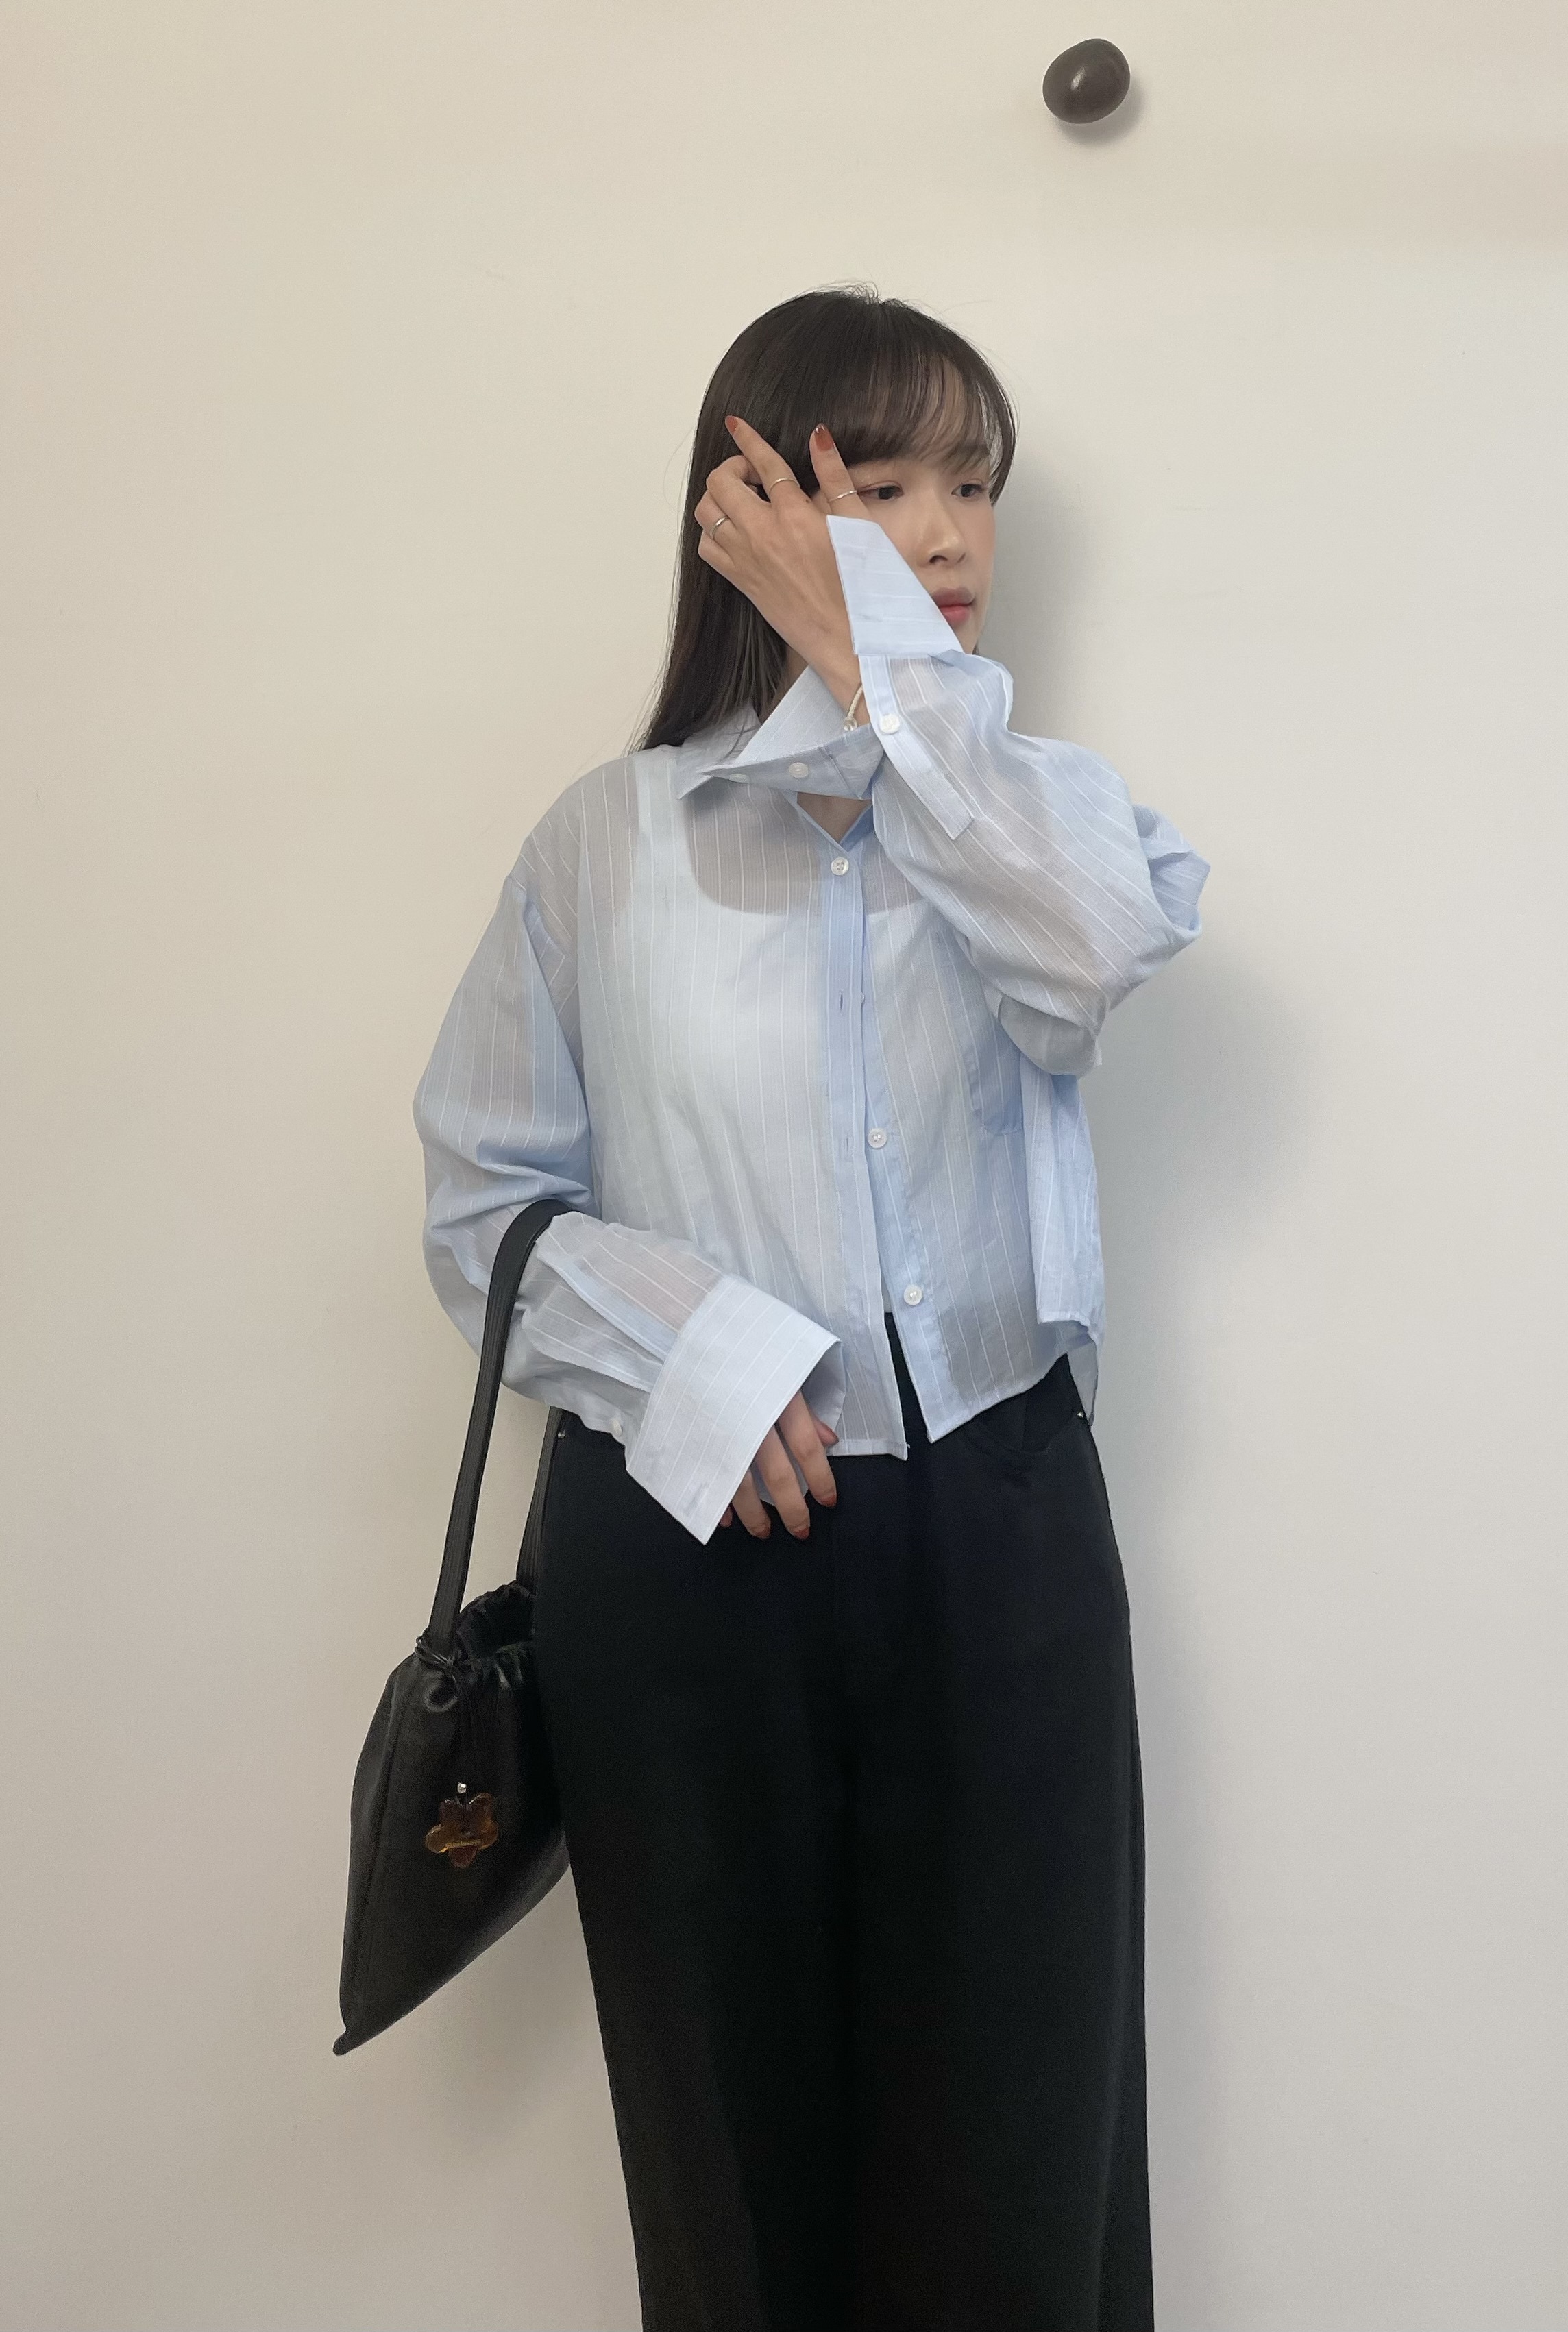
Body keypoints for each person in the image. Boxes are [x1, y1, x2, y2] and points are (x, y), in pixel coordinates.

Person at [413, 284, 1209, 2332]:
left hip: (1000, 1527)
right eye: (888, 482)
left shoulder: (1040, 812)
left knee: (1027, 2141)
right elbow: (485, 1196)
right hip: (692, 1543)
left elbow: (1092, 960)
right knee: (732, 2162)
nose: (950, 530)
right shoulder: (606, 845)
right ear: (748, 502)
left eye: (979, 484)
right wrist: (694, 1351)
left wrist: (879, 674)